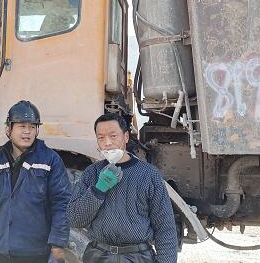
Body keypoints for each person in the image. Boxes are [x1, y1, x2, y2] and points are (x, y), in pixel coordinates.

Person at [0, 100, 71, 263]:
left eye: (32, 127)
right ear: (8, 129)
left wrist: (57, 246)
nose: (27, 131)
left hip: (35, 254)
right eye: (22, 126)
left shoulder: (50, 160)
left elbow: (62, 204)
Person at [68, 113, 178, 263]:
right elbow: (74, 219)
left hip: (138, 257)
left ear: (126, 137)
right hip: (98, 256)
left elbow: (165, 227)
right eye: (101, 138)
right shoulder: (91, 173)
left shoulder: (148, 174)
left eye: (113, 136)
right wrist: (98, 190)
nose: (107, 143)